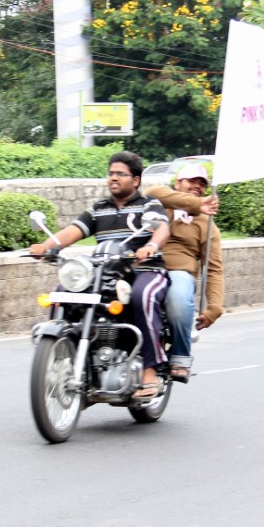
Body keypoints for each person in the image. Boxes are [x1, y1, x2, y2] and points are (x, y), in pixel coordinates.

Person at [29, 151, 171, 397]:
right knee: (63, 292)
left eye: (120, 174)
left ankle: (150, 369)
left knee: (141, 297)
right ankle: (60, 356)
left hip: (145, 270)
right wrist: (46, 246)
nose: (113, 178)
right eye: (111, 173)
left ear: (135, 180)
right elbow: (72, 231)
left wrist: (150, 246)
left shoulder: (148, 205)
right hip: (105, 272)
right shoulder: (98, 209)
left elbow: (162, 229)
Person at [143, 163, 224, 382]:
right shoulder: (158, 204)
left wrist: (214, 308)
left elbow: (214, 269)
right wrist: (196, 204)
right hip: (144, 265)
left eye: (202, 184)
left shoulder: (207, 224)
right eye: (191, 181)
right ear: (178, 182)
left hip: (178, 272)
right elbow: (151, 192)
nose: (197, 186)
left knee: (178, 299)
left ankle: (179, 355)